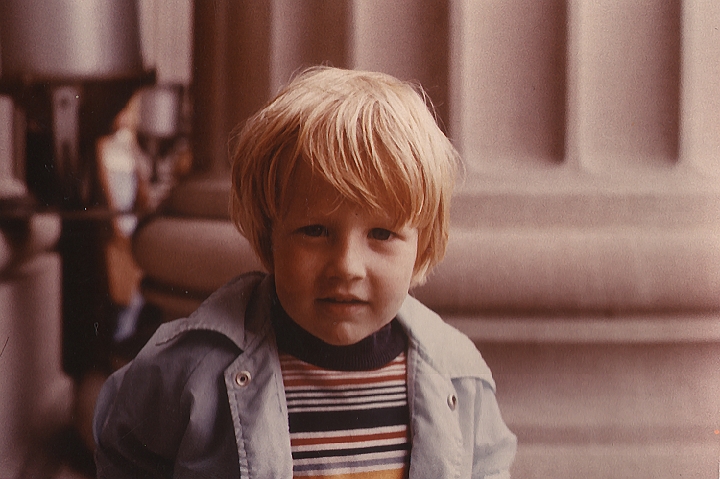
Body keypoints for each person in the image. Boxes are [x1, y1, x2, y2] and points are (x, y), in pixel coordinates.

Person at [93, 66, 517, 478]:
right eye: (315, 230)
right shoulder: (189, 368)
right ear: (268, 233)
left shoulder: (460, 376)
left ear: (422, 245)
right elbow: (125, 453)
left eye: (382, 234)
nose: (347, 266)